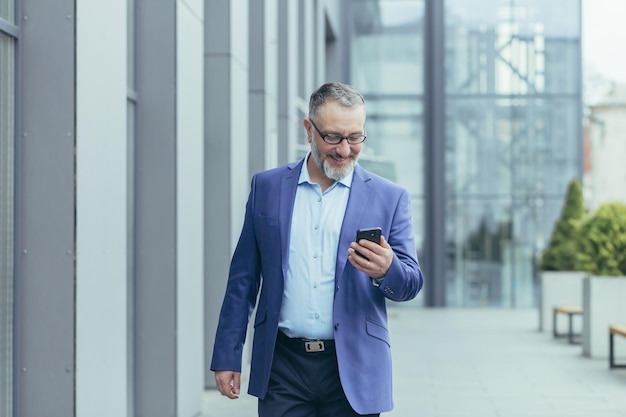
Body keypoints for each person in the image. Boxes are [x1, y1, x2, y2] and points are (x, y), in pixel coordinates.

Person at [210, 82, 424, 417]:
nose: (344, 149)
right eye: (333, 137)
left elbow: (410, 283)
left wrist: (387, 270)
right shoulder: (266, 188)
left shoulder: (390, 197)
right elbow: (243, 279)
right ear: (309, 129)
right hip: (283, 367)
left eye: (355, 137)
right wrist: (227, 355)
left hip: (355, 366)